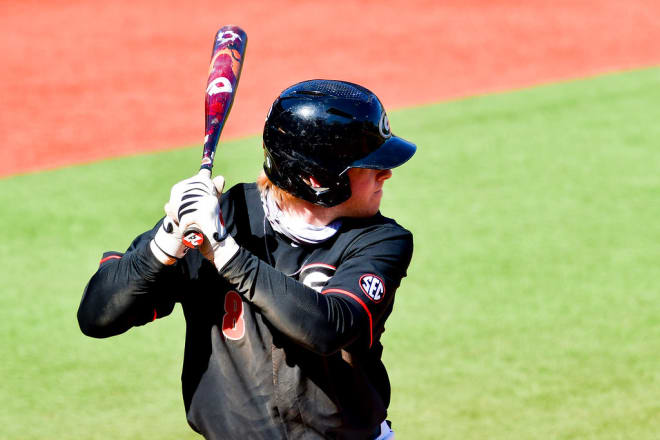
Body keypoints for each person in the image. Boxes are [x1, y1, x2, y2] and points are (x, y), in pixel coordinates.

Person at [78, 79, 416, 440]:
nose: (387, 173)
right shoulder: (224, 216)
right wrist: (166, 240)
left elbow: (327, 328)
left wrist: (224, 252)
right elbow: (97, 317)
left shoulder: (382, 241)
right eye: (369, 166)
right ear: (318, 179)